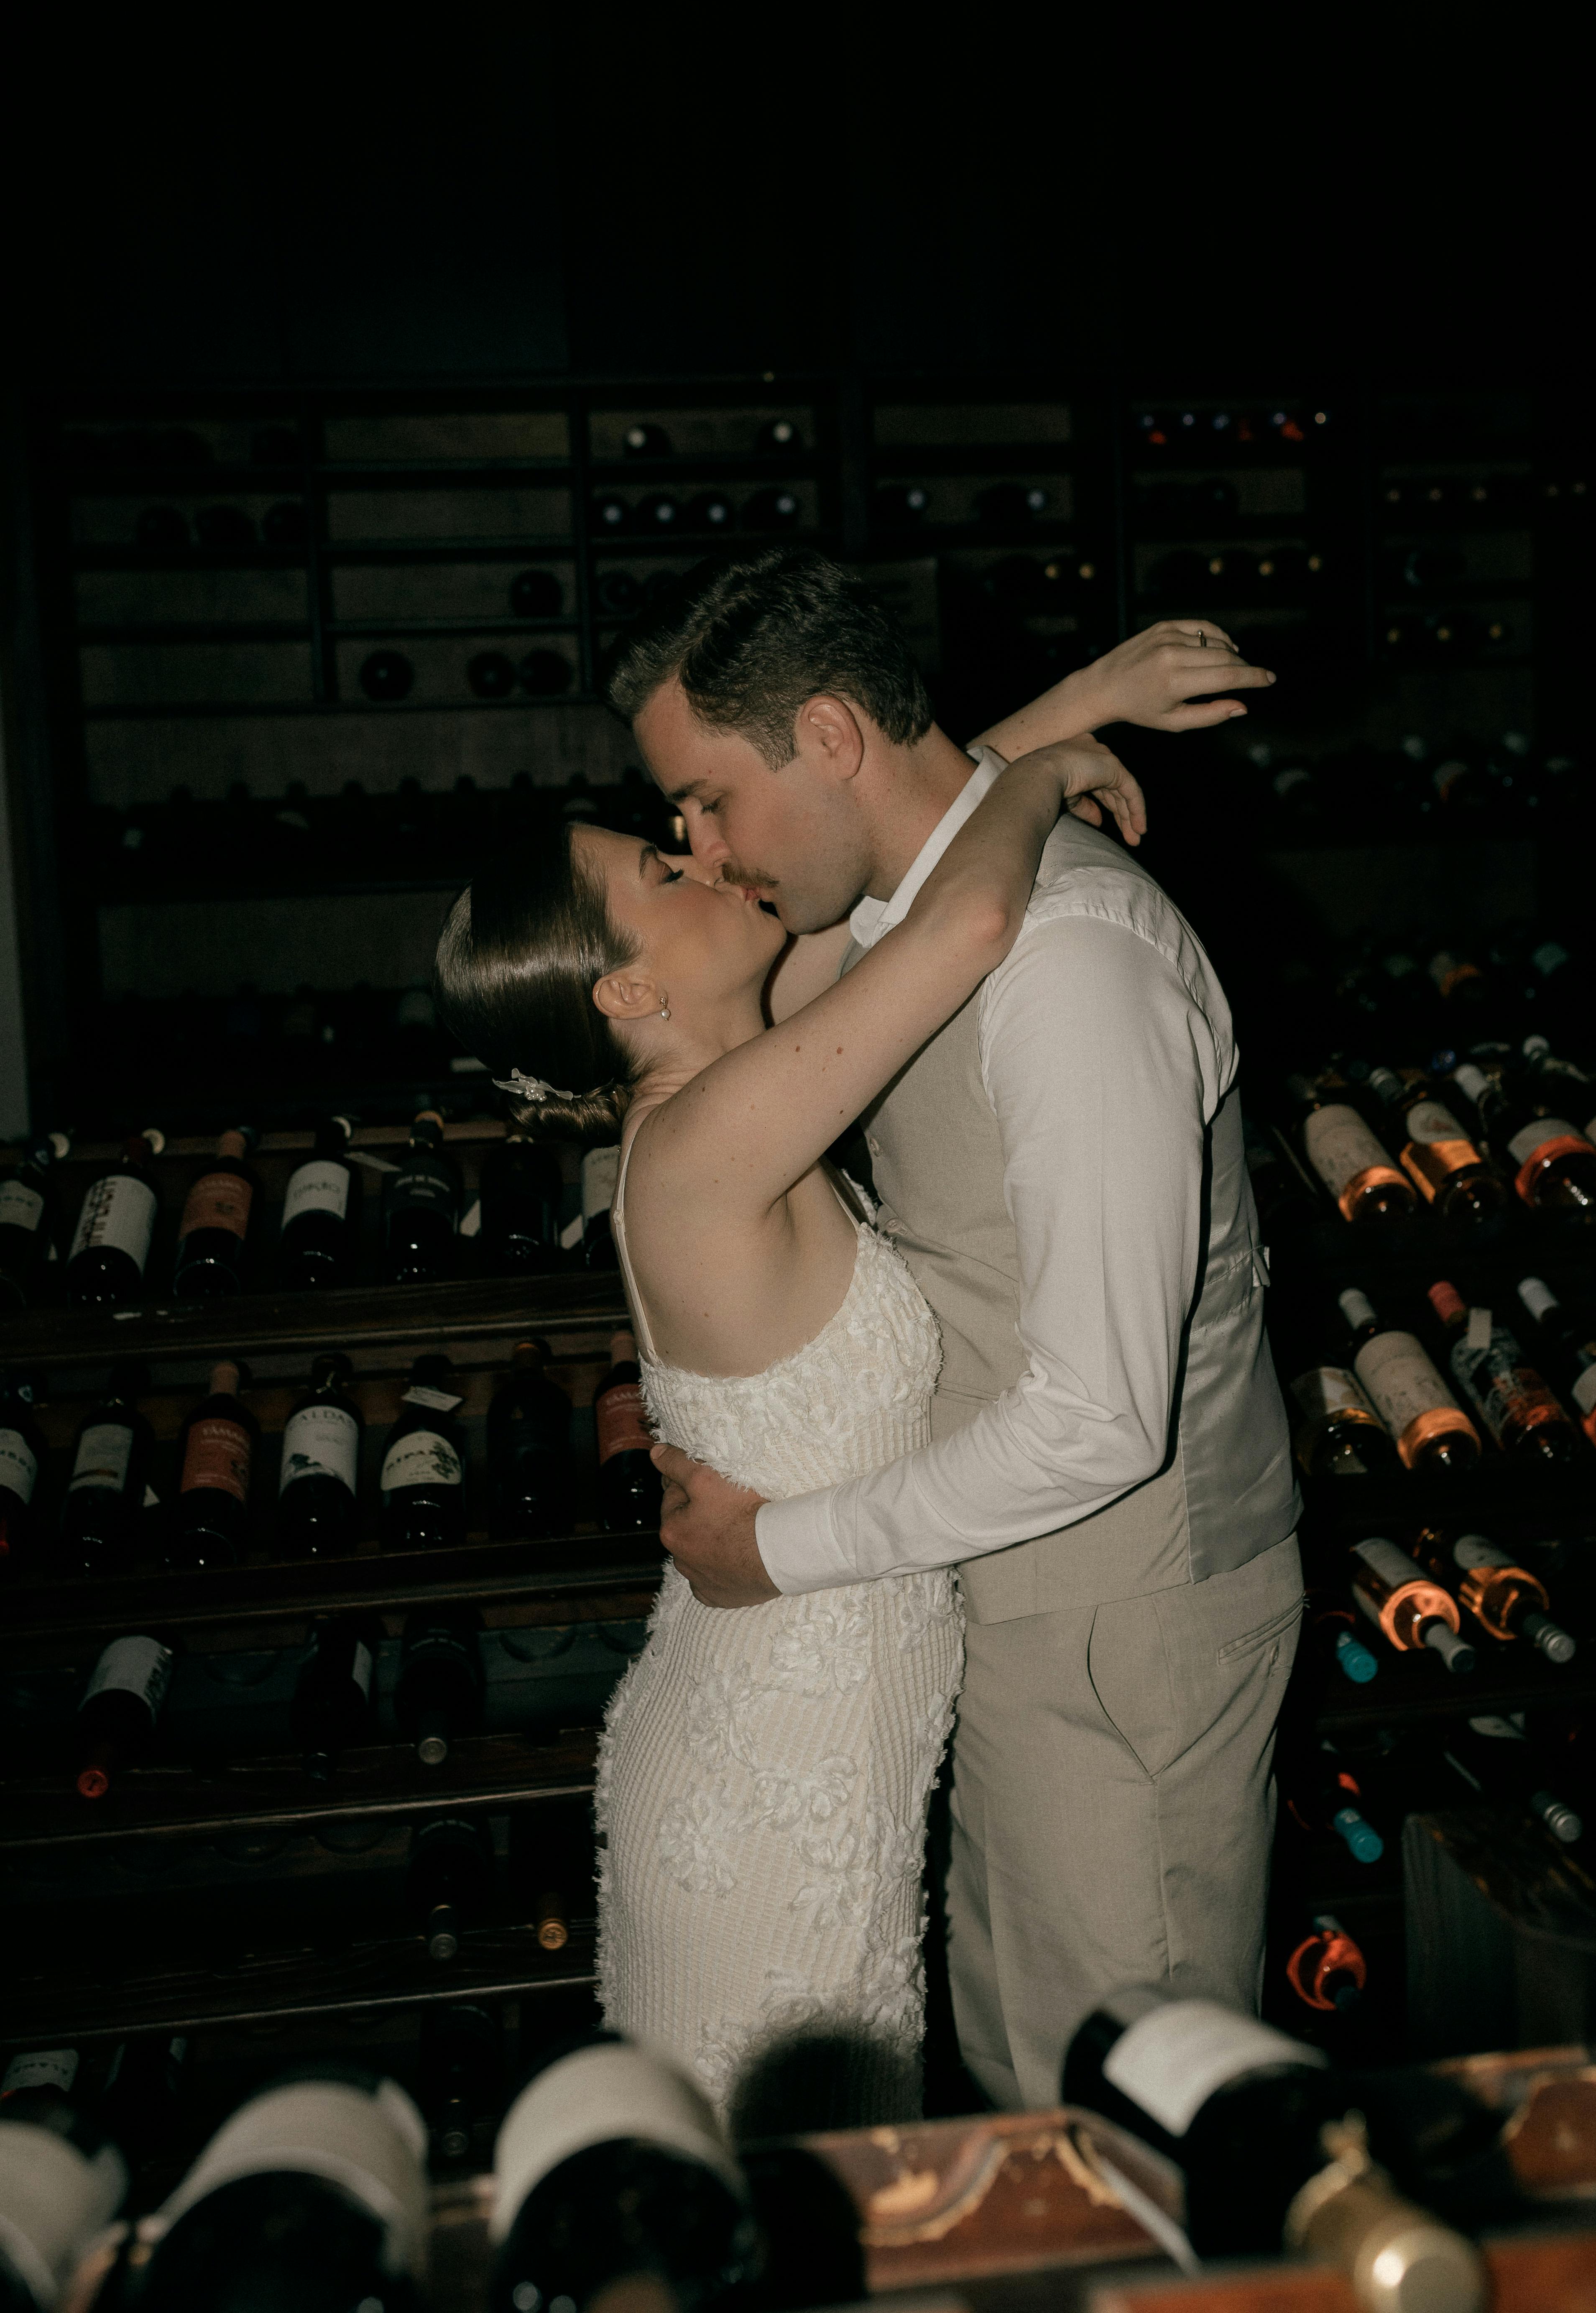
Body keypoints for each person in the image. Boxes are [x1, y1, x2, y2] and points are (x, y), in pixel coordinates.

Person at [431, 595, 1263, 2122]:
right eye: (663, 857)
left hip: (870, 1706)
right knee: (800, 2176)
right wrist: (1043, 764)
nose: (701, 853)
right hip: (774, 1760)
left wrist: (1073, 706)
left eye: (693, 813)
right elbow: (960, 911)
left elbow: (886, 835)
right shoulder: (701, 1143)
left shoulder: (754, 1055)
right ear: (624, 990)